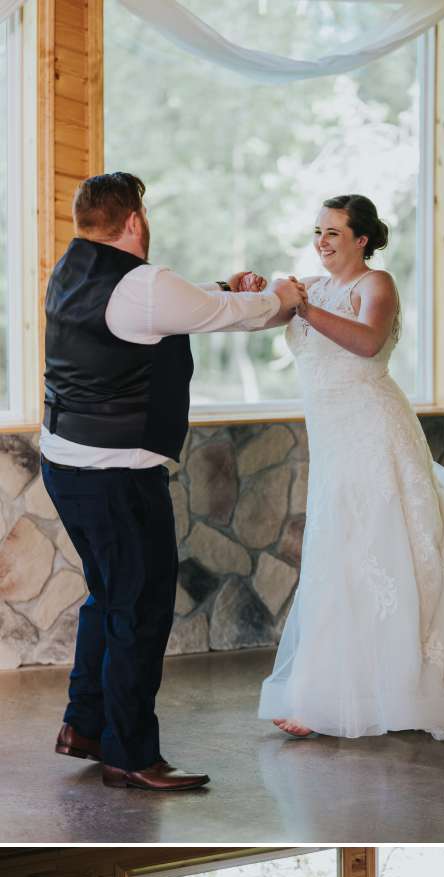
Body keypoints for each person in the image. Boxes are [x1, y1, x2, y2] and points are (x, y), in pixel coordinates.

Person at [42, 172, 303, 791]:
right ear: (135, 220)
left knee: (108, 598)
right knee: (140, 610)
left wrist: (222, 287)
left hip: (66, 464)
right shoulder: (143, 283)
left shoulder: (69, 270)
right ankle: (131, 755)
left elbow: (174, 305)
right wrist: (283, 296)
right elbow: (230, 316)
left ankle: (85, 726)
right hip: (118, 477)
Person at [258, 195, 444, 740]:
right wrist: (256, 289)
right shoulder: (310, 288)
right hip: (334, 438)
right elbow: (264, 315)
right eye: (318, 231)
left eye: (334, 232)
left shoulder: (376, 285)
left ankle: (392, 687)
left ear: (361, 239)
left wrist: (304, 309)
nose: (321, 241)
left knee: (380, 546)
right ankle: (334, 689)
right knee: (339, 552)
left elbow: (367, 342)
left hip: (373, 430)